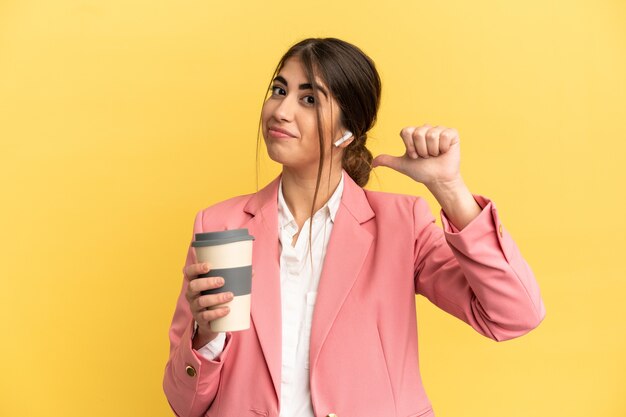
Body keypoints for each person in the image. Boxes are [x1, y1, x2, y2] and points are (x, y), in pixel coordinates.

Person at [163, 37, 545, 417]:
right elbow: (184, 404)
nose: (281, 110)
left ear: (347, 133)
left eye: (309, 99)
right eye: (279, 90)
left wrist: (450, 189)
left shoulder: (401, 225)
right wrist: (205, 335)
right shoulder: (220, 225)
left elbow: (515, 314)